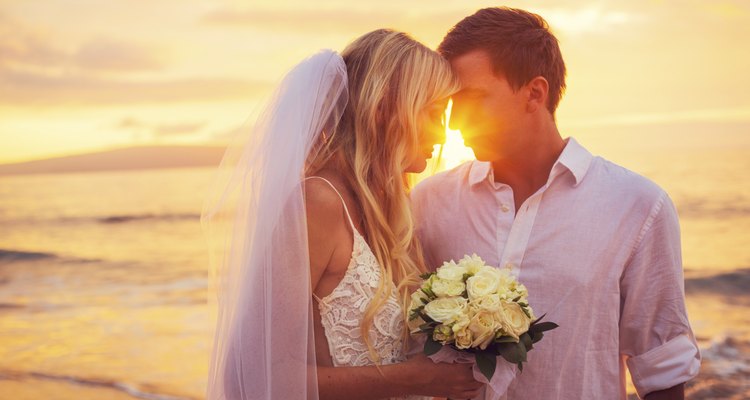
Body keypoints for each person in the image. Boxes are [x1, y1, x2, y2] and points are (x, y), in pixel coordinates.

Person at [411, 7, 701, 400]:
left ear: (534, 93)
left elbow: (661, 368)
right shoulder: (428, 202)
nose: (456, 122)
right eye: (451, 104)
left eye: (474, 99)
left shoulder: (637, 206)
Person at [202, 29, 483, 400]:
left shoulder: (390, 210)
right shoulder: (318, 203)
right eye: (432, 113)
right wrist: (411, 379)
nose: (442, 135)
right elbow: (249, 373)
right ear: (384, 109)